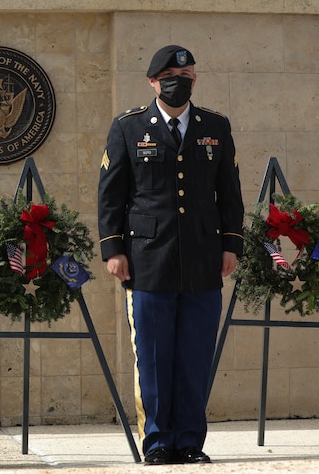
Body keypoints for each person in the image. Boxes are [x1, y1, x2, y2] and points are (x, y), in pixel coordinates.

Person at [97, 45, 243, 465]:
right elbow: (111, 195)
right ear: (153, 81)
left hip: (203, 257)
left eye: (187, 74)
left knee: (194, 355)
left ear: (195, 79)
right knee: (155, 357)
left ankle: (190, 441)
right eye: (170, 75)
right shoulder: (129, 127)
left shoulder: (215, 125)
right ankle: (158, 441)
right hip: (147, 260)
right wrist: (113, 249)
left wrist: (231, 244)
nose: (179, 80)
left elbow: (229, 193)